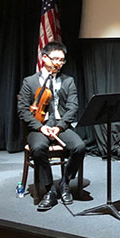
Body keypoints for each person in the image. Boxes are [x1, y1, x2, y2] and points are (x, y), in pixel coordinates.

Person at [18, 41, 85, 211]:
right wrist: (40, 127)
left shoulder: (68, 81)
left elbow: (73, 107)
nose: (59, 63)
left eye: (62, 60)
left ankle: (65, 182)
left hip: (60, 125)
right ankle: (49, 190)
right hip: (38, 126)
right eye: (55, 59)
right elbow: (23, 111)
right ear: (44, 58)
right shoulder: (30, 81)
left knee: (79, 147)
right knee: (39, 147)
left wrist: (60, 126)